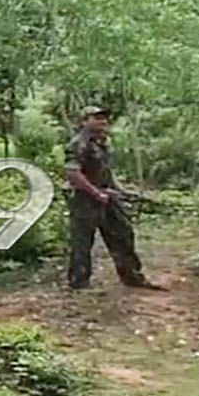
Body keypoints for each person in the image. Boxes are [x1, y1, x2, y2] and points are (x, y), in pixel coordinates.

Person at [64, 106, 161, 291]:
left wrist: (117, 190)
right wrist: (96, 193)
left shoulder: (103, 143)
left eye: (105, 118)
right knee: (82, 242)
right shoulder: (79, 143)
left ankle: (133, 278)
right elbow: (73, 174)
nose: (103, 121)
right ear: (85, 121)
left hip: (107, 197)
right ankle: (79, 284)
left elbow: (105, 171)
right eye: (97, 118)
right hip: (85, 200)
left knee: (123, 234)